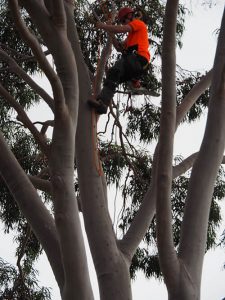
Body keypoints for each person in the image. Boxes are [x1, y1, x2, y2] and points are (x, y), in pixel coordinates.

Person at [88, 7, 150, 114]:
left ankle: (136, 82)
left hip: (139, 59)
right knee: (113, 75)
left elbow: (121, 29)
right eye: (122, 21)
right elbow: (119, 48)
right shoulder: (130, 37)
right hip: (134, 63)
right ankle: (103, 103)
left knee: (117, 69)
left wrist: (104, 26)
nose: (124, 22)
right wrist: (109, 31)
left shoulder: (138, 23)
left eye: (124, 19)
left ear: (130, 15)